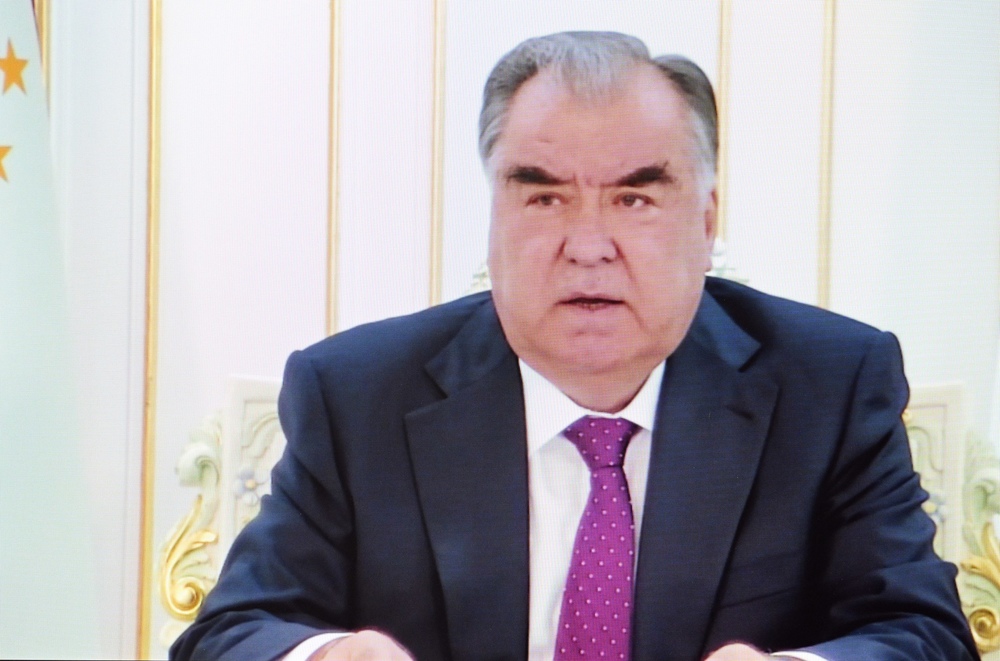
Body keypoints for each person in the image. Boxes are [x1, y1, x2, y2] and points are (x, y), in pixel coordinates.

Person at [170, 31, 978, 661]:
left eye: (634, 199)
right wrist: (325, 654)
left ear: (706, 222)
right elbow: (230, 632)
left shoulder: (829, 386)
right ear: (494, 218)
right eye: (546, 197)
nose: (588, 246)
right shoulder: (357, 396)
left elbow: (925, 633)